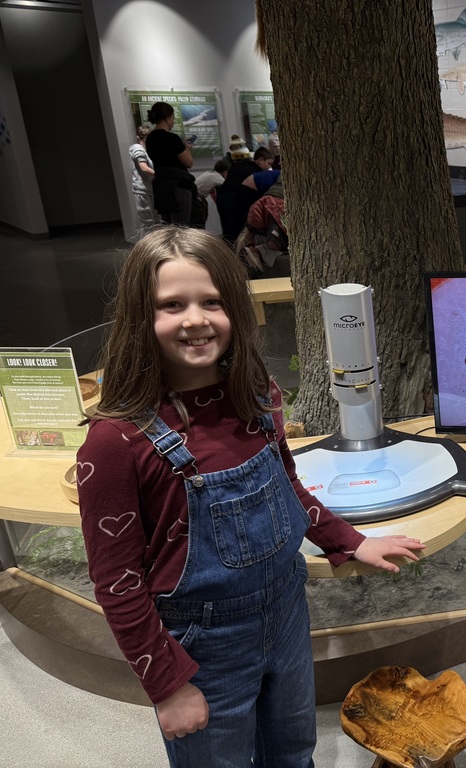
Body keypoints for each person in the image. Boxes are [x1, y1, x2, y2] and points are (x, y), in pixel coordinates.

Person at [77, 227, 425, 766]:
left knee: (294, 751)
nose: (195, 319)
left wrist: (349, 540)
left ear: (236, 310)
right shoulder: (115, 442)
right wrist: (167, 686)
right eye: (172, 305)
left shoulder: (257, 394)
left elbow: (287, 484)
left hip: (286, 613)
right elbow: (117, 584)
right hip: (200, 644)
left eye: (212, 301)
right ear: (140, 318)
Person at [145, 102, 197, 226]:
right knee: (181, 227)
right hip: (178, 186)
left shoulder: (150, 139)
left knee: (167, 227)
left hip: (161, 188)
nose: (173, 121)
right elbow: (189, 162)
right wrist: (187, 148)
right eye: (173, 118)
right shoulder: (172, 138)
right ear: (168, 118)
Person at [217, 147, 274, 243]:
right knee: (236, 231)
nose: (269, 168)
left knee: (228, 231)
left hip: (223, 198)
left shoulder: (241, 166)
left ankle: (228, 250)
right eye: (269, 163)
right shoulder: (256, 173)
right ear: (260, 160)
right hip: (233, 201)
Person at [128, 125, 157, 234]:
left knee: (156, 222)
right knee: (148, 224)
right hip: (142, 190)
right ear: (139, 138)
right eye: (146, 139)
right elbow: (143, 167)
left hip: (149, 189)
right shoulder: (138, 149)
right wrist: (160, 175)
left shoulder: (146, 150)